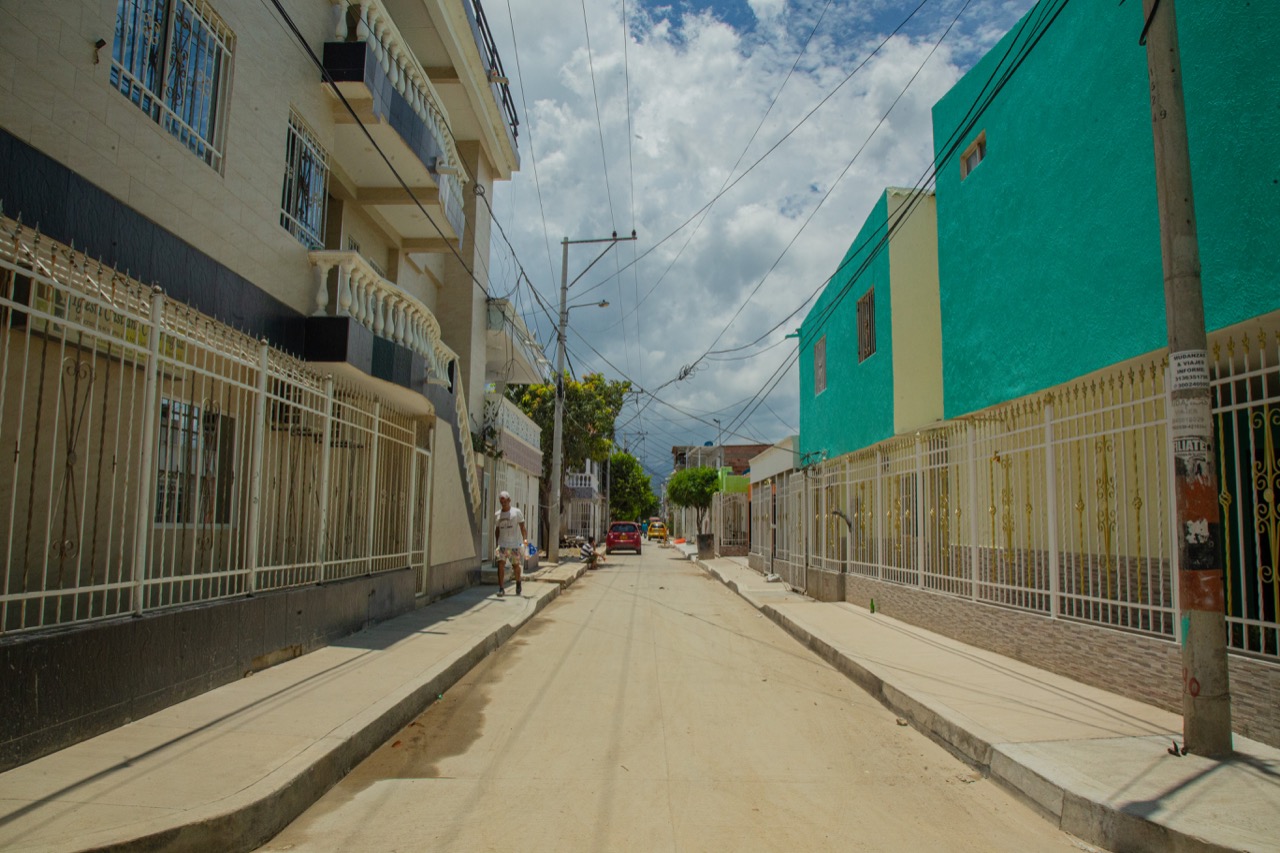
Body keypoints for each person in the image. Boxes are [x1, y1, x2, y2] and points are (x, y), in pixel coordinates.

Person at [493, 491, 528, 597]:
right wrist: (497, 543)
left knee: (516, 566)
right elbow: (497, 530)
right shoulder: (498, 514)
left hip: (514, 544)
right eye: (501, 502)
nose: (503, 504)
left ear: (509, 501)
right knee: (501, 565)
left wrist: (525, 541)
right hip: (502, 544)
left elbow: (522, 527)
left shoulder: (516, 512)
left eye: (505, 501)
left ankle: (518, 583)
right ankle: (501, 588)